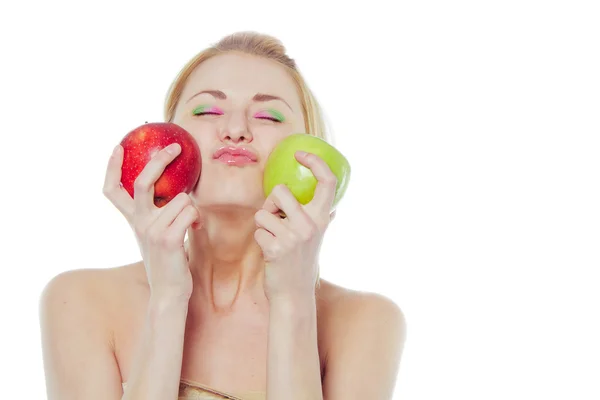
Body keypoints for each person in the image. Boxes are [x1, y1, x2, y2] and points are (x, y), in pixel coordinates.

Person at [39, 31, 407, 400]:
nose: (235, 130)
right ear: (169, 137)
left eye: (268, 116)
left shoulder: (366, 323)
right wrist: (167, 298)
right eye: (207, 110)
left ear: (308, 149)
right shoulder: (80, 301)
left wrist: (292, 299)